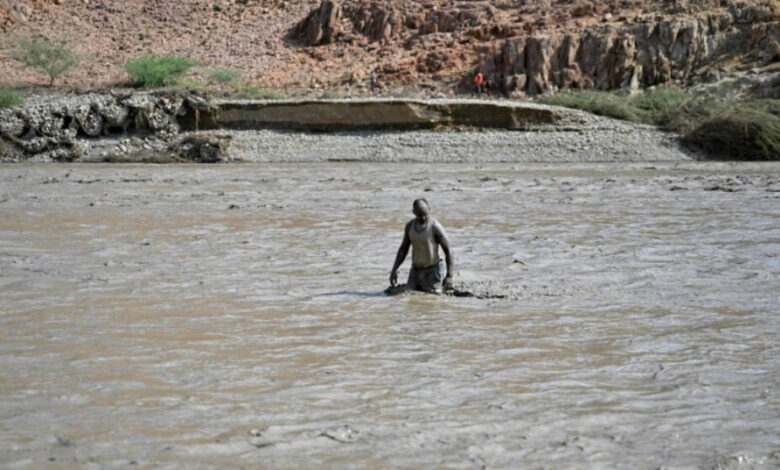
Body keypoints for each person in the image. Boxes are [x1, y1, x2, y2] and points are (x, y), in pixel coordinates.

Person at [389, 199, 454, 293]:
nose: (423, 218)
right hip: (415, 271)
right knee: (408, 296)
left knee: (432, 298)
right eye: (420, 215)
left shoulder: (435, 227)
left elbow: (449, 250)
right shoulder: (410, 226)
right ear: (414, 212)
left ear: (429, 209)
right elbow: (403, 249)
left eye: (425, 214)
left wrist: (449, 276)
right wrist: (394, 270)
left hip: (433, 271)